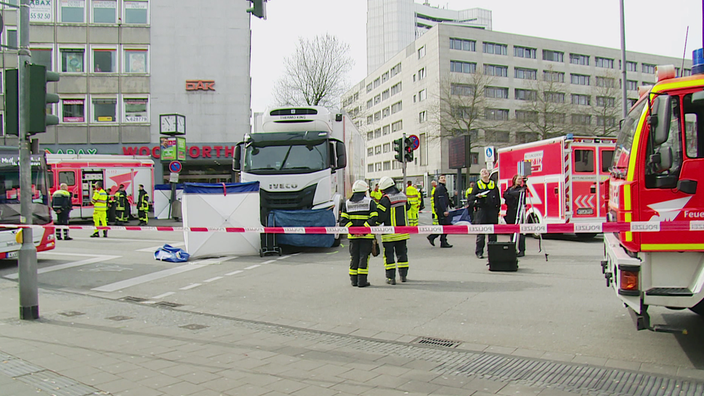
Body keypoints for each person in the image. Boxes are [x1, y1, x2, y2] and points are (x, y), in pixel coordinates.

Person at [339, 180, 378, 288]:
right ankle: (362, 281)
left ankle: (354, 281)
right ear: (365, 191)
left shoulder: (347, 203)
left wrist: (353, 230)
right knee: (363, 257)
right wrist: (363, 230)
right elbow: (374, 217)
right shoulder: (370, 202)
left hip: (353, 236)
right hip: (367, 236)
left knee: (354, 257)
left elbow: (343, 220)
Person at [372, 176, 410, 285]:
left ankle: (391, 278)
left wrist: (373, 225)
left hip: (389, 233)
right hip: (402, 232)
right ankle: (403, 276)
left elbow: (380, 217)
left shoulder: (386, 199)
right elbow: (407, 207)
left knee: (389, 255)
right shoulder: (403, 196)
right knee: (402, 254)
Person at [467, 168, 500, 259]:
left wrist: (497, 210)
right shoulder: (478, 184)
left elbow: (498, 198)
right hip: (481, 211)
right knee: (481, 233)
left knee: (492, 233)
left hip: (492, 211)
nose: (484, 173)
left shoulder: (493, 184)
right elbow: (471, 198)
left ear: (488, 174)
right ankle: (479, 252)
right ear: (480, 175)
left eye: (486, 171)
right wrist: (477, 197)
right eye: (482, 172)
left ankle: (493, 252)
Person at [503, 174, 527, 257]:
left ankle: (521, 250)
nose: (519, 181)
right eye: (518, 179)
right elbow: (505, 195)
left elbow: (519, 195)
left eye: (521, 179)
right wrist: (512, 194)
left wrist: (512, 194)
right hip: (511, 212)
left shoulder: (522, 189)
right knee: (512, 230)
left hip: (519, 211)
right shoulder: (510, 188)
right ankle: (513, 247)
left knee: (521, 231)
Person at [427, 176, 452, 248]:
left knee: (444, 225)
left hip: (440, 209)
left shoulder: (442, 187)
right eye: (441, 178)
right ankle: (435, 238)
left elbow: (445, 198)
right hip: (441, 210)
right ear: (438, 180)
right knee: (445, 226)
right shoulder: (440, 188)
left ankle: (438, 239)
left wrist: (451, 204)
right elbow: (441, 200)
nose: (443, 179)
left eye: (444, 178)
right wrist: (444, 210)